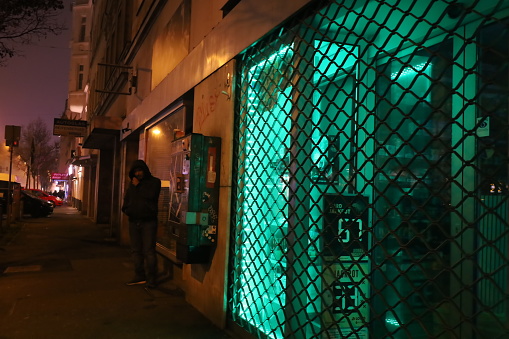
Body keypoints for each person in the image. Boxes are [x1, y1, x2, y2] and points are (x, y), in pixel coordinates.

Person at [121, 160, 161, 288]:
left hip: (148, 221)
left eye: (140, 170)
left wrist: (138, 186)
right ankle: (139, 275)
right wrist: (126, 209)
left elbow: (151, 195)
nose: (138, 173)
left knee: (149, 251)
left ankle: (151, 279)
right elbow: (127, 198)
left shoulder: (154, 182)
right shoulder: (132, 184)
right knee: (136, 250)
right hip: (134, 221)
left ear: (145, 170)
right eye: (135, 171)